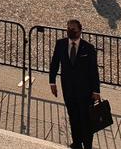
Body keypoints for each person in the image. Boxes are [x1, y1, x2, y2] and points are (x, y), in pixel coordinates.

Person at [50, 20, 101, 149]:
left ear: (80, 30)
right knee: (73, 117)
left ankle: (87, 145)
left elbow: (93, 70)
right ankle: (77, 142)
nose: (70, 31)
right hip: (68, 89)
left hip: (85, 91)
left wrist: (96, 91)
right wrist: (52, 82)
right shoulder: (60, 44)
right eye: (68, 29)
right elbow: (55, 63)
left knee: (86, 119)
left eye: (73, 29)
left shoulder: (88, 48)